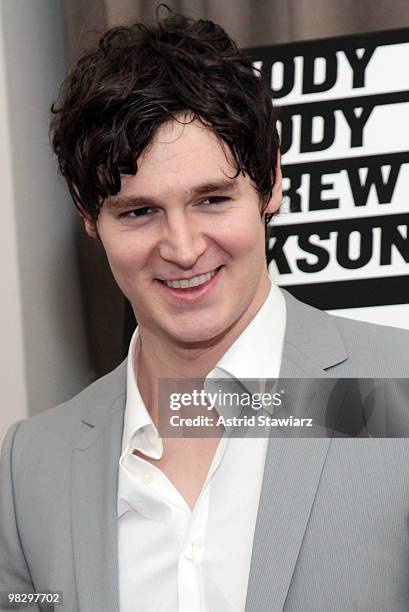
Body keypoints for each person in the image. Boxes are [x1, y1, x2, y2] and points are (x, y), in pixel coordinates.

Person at [1, 11, 409, 612]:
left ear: (271, 183)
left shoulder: (392, 393)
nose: (184, 248)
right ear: (90, 217)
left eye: (212, 199)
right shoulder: (31, 463)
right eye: (138, 212)